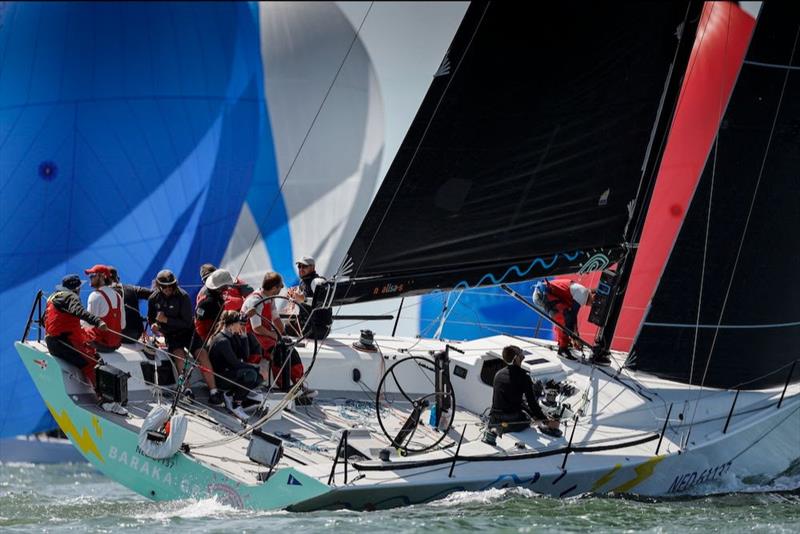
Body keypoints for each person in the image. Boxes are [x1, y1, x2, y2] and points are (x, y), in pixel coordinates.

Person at [44, 275, 127, 415]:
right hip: (64, 342)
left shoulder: (52, 297)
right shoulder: (71, 297)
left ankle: (109, 394)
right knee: (92, 363)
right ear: (77, 289)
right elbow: (80, 311)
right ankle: (106, 402)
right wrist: (98, 322)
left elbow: (47, 320)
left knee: (92, 352)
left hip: (53, 341)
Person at [147, 269, 218, 402]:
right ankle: (187, 389)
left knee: (201, 354)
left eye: (171, 286)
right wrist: (154, 326)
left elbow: (186, 322)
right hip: (171, 336)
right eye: (164, 286)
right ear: (158, 285)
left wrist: (166, 320)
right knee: (179, 356)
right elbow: (151, 318)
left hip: (188, 332)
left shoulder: (183, 297)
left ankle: (214, 391)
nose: (168, 289)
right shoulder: (153, 299)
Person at [489, 345, 558, 433]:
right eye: (521, 354)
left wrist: (533, 414)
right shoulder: (524, 377)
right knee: (529, 420)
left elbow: (511, 400)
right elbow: (532, 403)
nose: (523, 356)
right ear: (516, 358)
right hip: (511, 419)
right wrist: (546, 421)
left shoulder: (498, 374)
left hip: (494, 418)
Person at [207, 311, 261, 420]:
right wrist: (253, 368)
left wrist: (244, 337)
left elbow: (245, 356)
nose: (241, 326)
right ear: (232, 324)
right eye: (239, 323)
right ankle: (236, 404)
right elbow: (235, 363)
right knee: (252, 374)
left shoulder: (232, 336)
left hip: (229, 372)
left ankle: (230, 394)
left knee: (258, 376)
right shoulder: (222, 340)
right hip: (221, 377)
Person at [532, 278, 596, 361]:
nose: (592, 306)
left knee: (564, 316)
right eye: (594, 303)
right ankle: (562, 350)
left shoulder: (582, 293)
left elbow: (573, 318)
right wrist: (575, 338)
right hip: (542, 295)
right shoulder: (583, 294)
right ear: (593, 295)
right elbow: (571, 317)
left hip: (542, 293)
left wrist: (575, 336)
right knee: (564, 318)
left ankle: (563, 342)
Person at [84, 265, 125, 352]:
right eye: (89, 276)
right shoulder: (118, 296)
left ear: (102, 276)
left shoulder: (95, 296)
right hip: (114, 346)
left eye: (92, 275)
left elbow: (88, 324)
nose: (90, 278)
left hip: (98, 344)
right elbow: (123, 325)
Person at [286, 256, 330, 338]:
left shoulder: (317, 282)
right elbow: (302, 296)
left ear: (313, 267)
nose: (301, 269)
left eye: (304, 266)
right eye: (299, 266)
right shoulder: (303, 281)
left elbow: (322, 303)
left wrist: (303, 299)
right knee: (286, 327)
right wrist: (293, 296)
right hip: (307, 324)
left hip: (319, 328)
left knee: (285, 329)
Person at [108, 266, 153, 344]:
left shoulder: (101, 293)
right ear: (118, 279)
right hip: (134, 335)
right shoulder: (132, 289)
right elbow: (153, 295)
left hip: (113, 335)